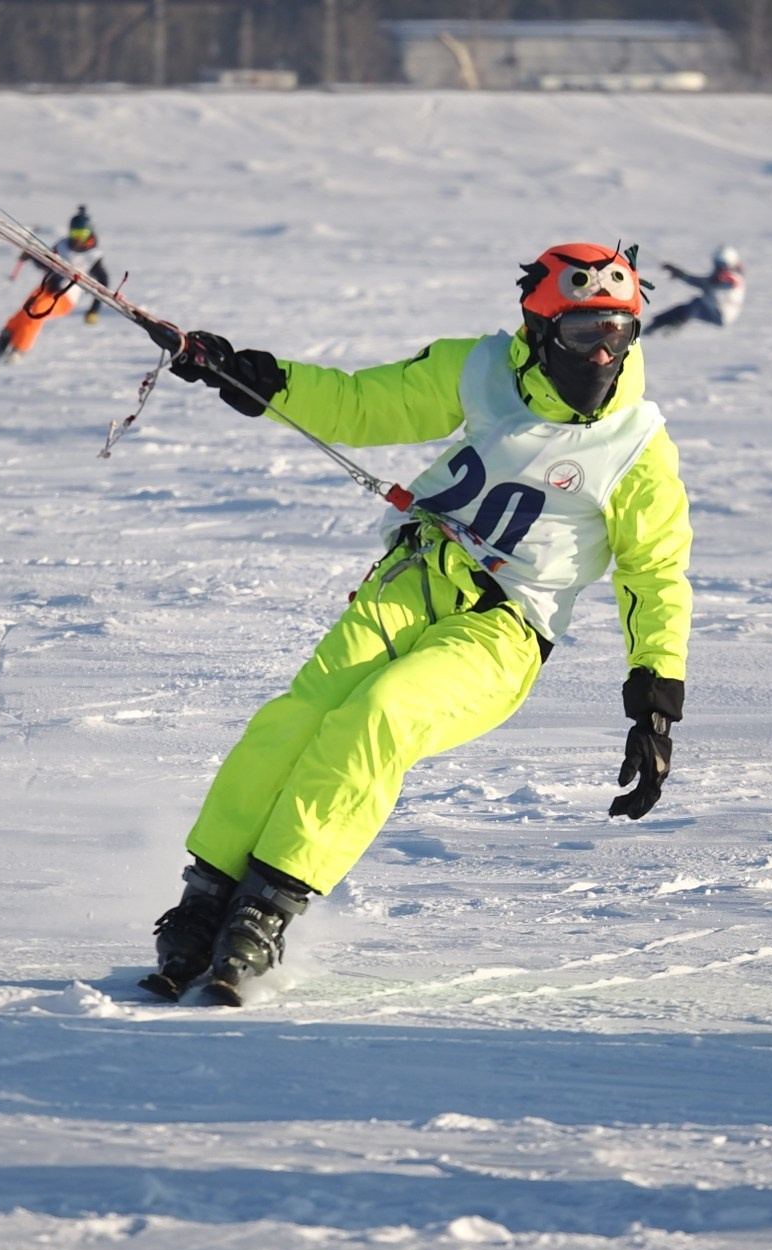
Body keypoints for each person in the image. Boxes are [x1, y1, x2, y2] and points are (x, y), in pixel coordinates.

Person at [135, 242, 694, 1003]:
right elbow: (366, 404)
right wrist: (260, 379)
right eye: (580, 334)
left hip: (506, 630)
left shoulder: (637, 447)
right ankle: (206, 900)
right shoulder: (483, 368)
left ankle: (266, 909)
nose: (601, 352)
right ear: (537, 331)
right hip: (415, 577)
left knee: (381, 715)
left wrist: (654, 704)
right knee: (301, 718)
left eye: (618, 334)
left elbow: (655, 574)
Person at [0, 207, 110, 362]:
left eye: (82, 234)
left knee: (36, 311)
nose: (78, 239)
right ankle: (1, 346)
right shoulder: (63, 245)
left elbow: (103, 284)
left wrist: (93, 310)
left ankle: (18, 350)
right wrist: (31, 256)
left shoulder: (93, 256)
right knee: (23, 313)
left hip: (65, 297)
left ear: (89, 233)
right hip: (46, 288)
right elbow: (46, 264)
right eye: (75, 234)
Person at [643, 245, 746, 336]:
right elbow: (699, 282)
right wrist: (679, 273)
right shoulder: (717, 278)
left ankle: (673, 328)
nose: (718, 267)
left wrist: (717, 279)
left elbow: (725, 281)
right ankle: (654, 324)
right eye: (717, 264)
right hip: (712, 309)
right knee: (681, 309)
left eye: (722, 265)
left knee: (696, 303)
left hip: (721, 315)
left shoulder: (734, 278)